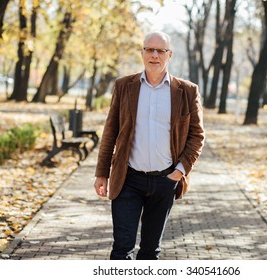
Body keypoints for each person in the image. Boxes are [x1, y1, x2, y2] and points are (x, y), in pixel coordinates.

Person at [93, 31, 205, 260]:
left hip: (165, 181)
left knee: (149, 252)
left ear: (169, 54)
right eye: (149, 49)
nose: (154, 55)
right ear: (142, 52)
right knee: (122, 248)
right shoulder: (124, 86)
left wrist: (180, 171)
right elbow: (110, 131)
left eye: (160, 50)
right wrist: (102, 173)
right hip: (128, 179)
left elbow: (197, 135)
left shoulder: (187, 91)